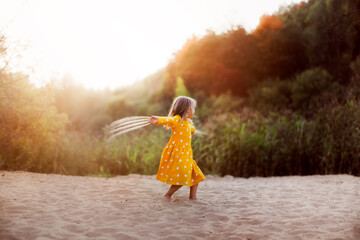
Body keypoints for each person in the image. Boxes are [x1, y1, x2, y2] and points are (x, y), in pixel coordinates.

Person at [149, 96, 206, 202]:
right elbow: (168, 120)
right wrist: (158, 120)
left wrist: (194, 131)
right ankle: (167, 195)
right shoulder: (177, 120)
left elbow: (191, 129)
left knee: (196, 175)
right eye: (193, 108)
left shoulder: (187, 123)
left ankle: (193, 198)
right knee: (182, 177)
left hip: (186, 154)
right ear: (187, 109)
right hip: (178, 154)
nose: (194, 110)